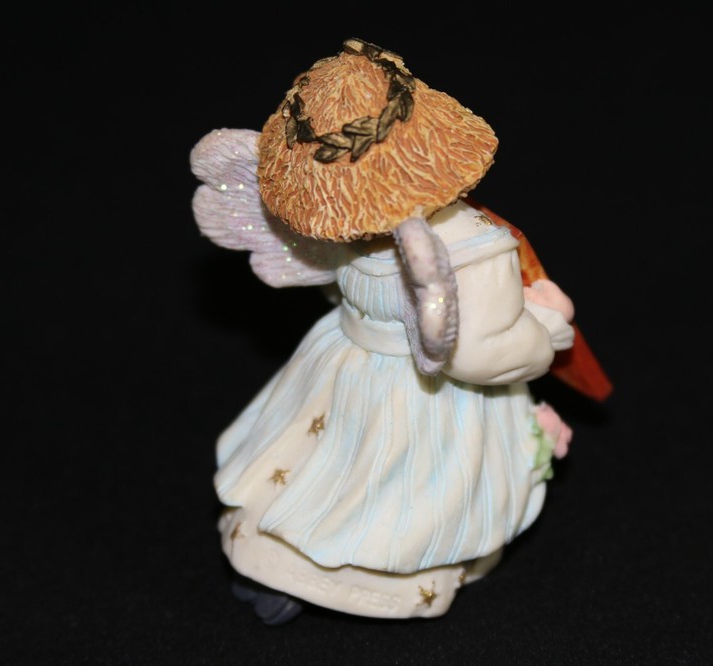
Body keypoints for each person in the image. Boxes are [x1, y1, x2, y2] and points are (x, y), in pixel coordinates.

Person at [189, 39, 575, 623]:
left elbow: (340, 285)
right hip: (425, 394)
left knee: (328, 467)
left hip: (347, 364)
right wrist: (547, 331)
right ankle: (373, 574)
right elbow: (478, 351)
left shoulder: (346, 229)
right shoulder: (473, 246)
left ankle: (280, 569)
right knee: (402, 484)